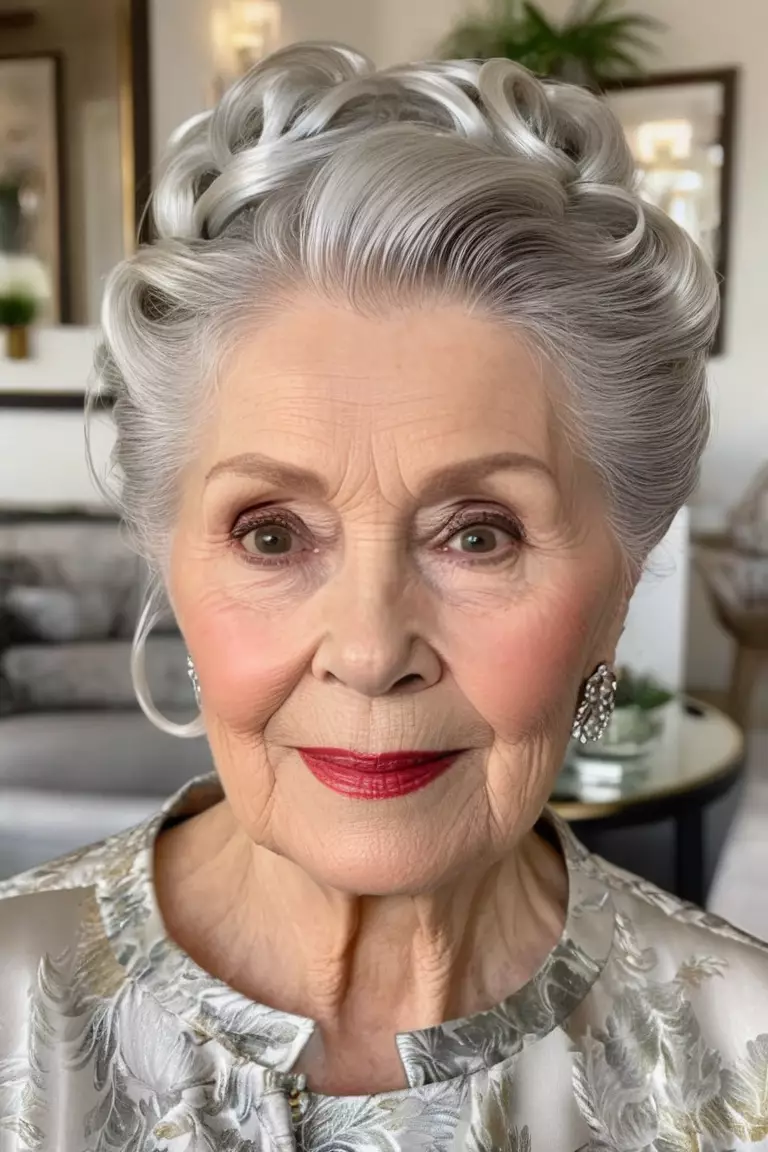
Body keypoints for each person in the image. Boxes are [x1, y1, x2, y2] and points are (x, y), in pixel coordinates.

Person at [0, 42, 765, 1152]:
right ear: (170, 561)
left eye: (479, 535)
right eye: (271, 533)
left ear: (621, 582)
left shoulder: (738, 1060)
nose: (369, 649)